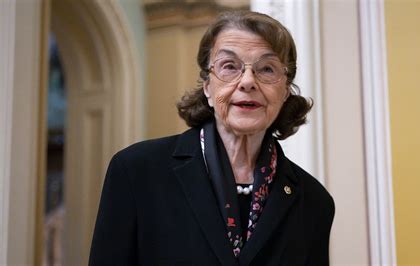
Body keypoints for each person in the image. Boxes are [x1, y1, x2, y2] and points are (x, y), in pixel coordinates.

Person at [89, 10, 335, 266]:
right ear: (207, 87)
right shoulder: (135, 171)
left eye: (267, 69)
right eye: (229, 66)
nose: (248, 81)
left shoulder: (314, 202)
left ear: (285, 91)